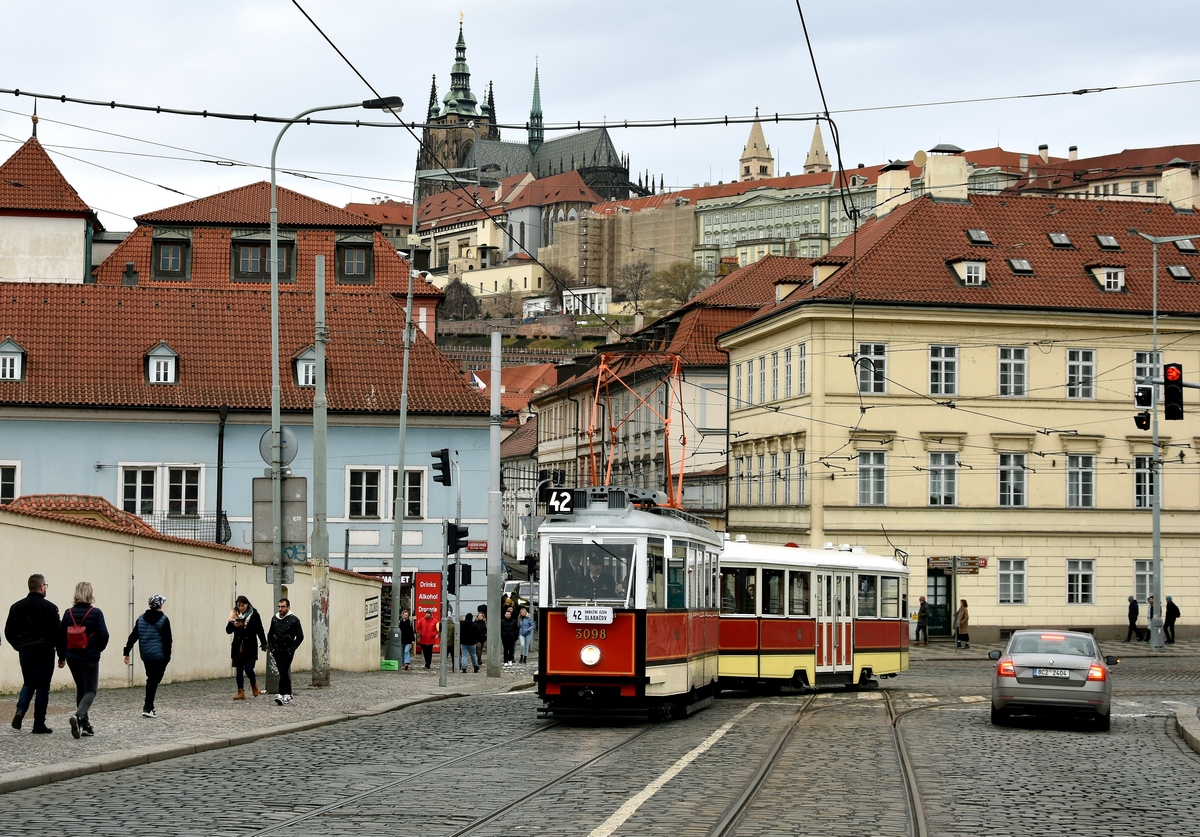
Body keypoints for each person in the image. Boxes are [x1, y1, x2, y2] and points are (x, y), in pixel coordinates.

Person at [5, 574, 62, 734]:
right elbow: (58, 633)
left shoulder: (17, 607)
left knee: (29, 682)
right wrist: (62, 655)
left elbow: (9, 631)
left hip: (25, 650)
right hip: (45, 651)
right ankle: (38, 724)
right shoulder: (50, 608)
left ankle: (20, 711)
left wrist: (18, 646)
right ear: (42, 586)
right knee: (43, 687)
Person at [60, 582, 109, 739]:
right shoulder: (96, 613)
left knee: (81, 689)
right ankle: (79, 716)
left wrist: (62, 656)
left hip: (72, 657)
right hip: (89, 657)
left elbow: (61, 636)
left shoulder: (68, 613)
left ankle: (85, 726)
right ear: (90, 594)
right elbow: (104, 635)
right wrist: (97, 649)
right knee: (90, 691)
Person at [122, 595, 172, 719]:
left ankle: (150, 706)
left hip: (146, 656)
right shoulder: (164, 620)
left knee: (151, 679)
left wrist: (126, 652)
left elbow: (133, 636)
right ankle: (148, 707)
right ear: (160, 605)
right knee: (154, 680)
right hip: (160, 656)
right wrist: (167, 657)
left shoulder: (141, 619)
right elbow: (168, 640)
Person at [225, 595, 267, 699]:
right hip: (238, 646)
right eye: (238, 605)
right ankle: (240, 692)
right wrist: (233, 622)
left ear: (247, 604)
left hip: (250, 646)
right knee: (239, 670)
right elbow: (228, 631)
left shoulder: (254, 614)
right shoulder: (234, 615)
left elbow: (260, 629)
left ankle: (254, 685)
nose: (241, 608)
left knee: (249, 669)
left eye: (242, 605)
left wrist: (264, 642)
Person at [268, 598, 304, 705]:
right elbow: (270, 634)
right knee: (282, 672)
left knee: (283, 670)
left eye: (283, 607)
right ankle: (288, 694)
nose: (280, 609)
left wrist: (291, 649)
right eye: (279, 607)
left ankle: (281, 693)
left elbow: (300, 636)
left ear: (288, 607)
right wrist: (272, 648)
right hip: (277, 649)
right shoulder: (275, 619)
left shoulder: (294, 620)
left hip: (287, 650)